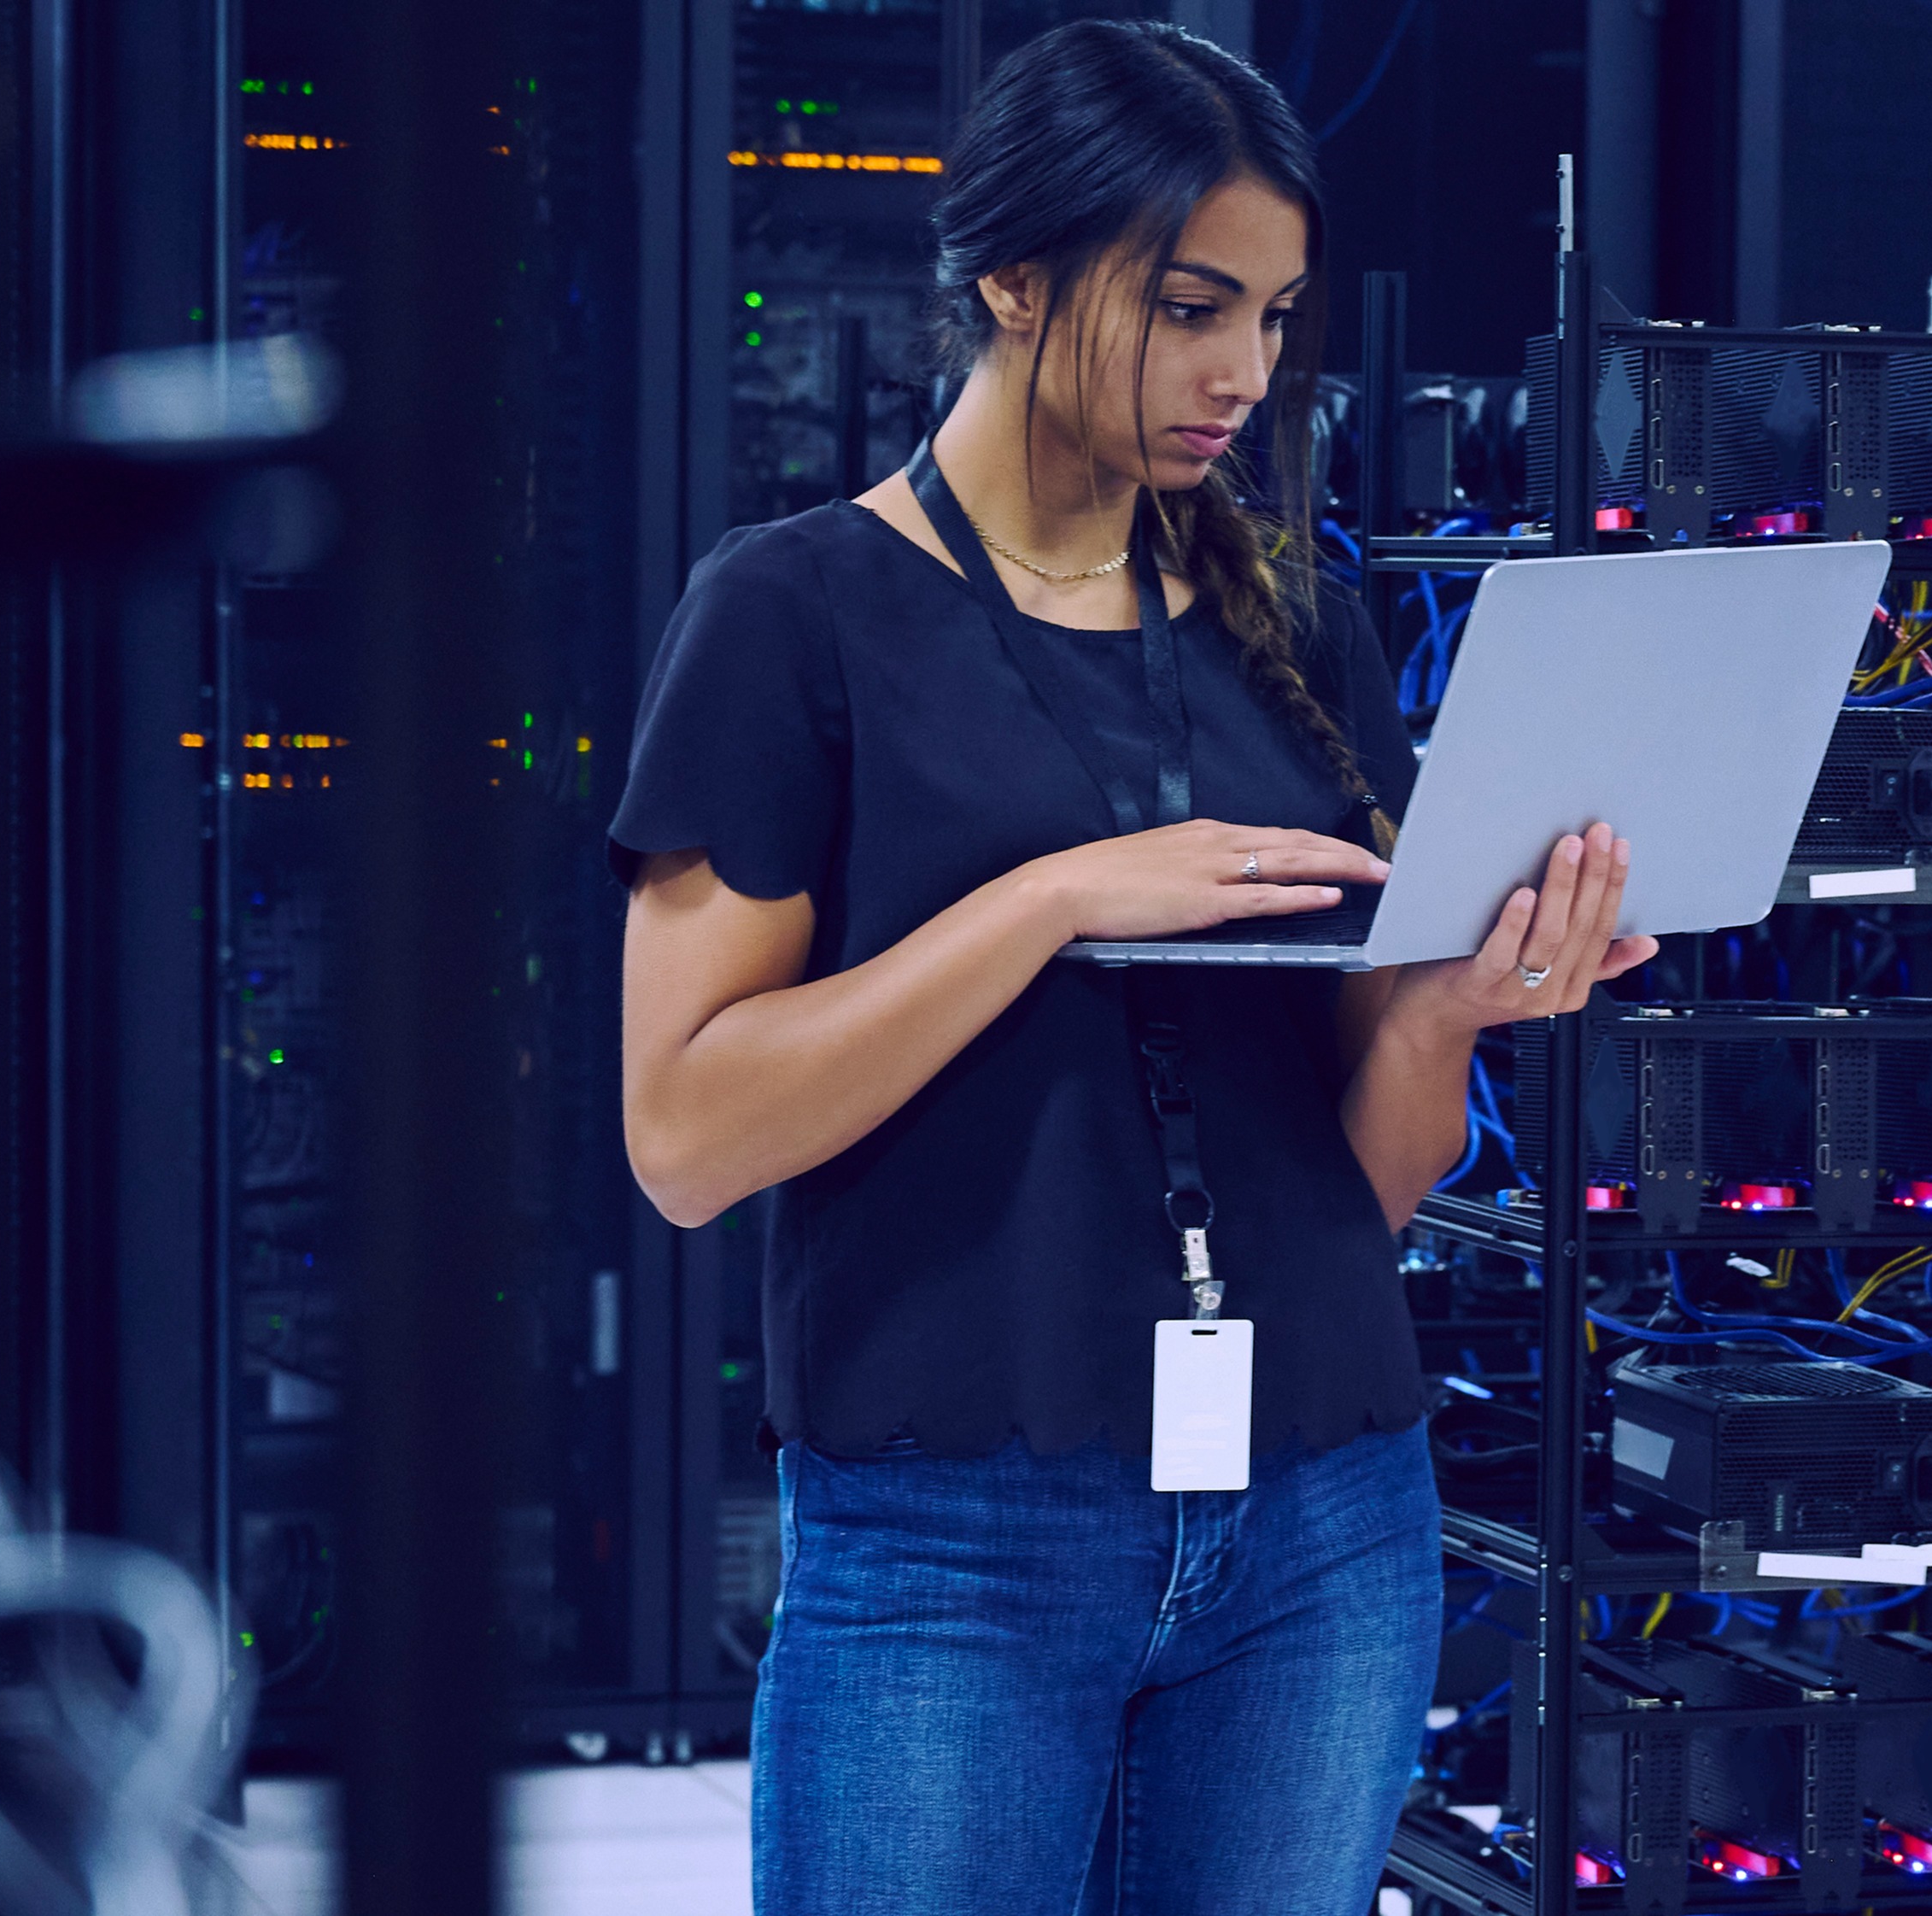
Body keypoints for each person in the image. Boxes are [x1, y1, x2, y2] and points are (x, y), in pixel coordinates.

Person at [611, 20, 1652, 1913]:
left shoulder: (1297, 637)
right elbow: (684, 1134)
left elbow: (1379, 1182)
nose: (1242, 373)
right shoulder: (792, 614)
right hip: (954, 1539)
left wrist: (1456, 1002)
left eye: (1271, 316)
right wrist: (1051, 902)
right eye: (1189, 308)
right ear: (1013, 278)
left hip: (1328, 1519)